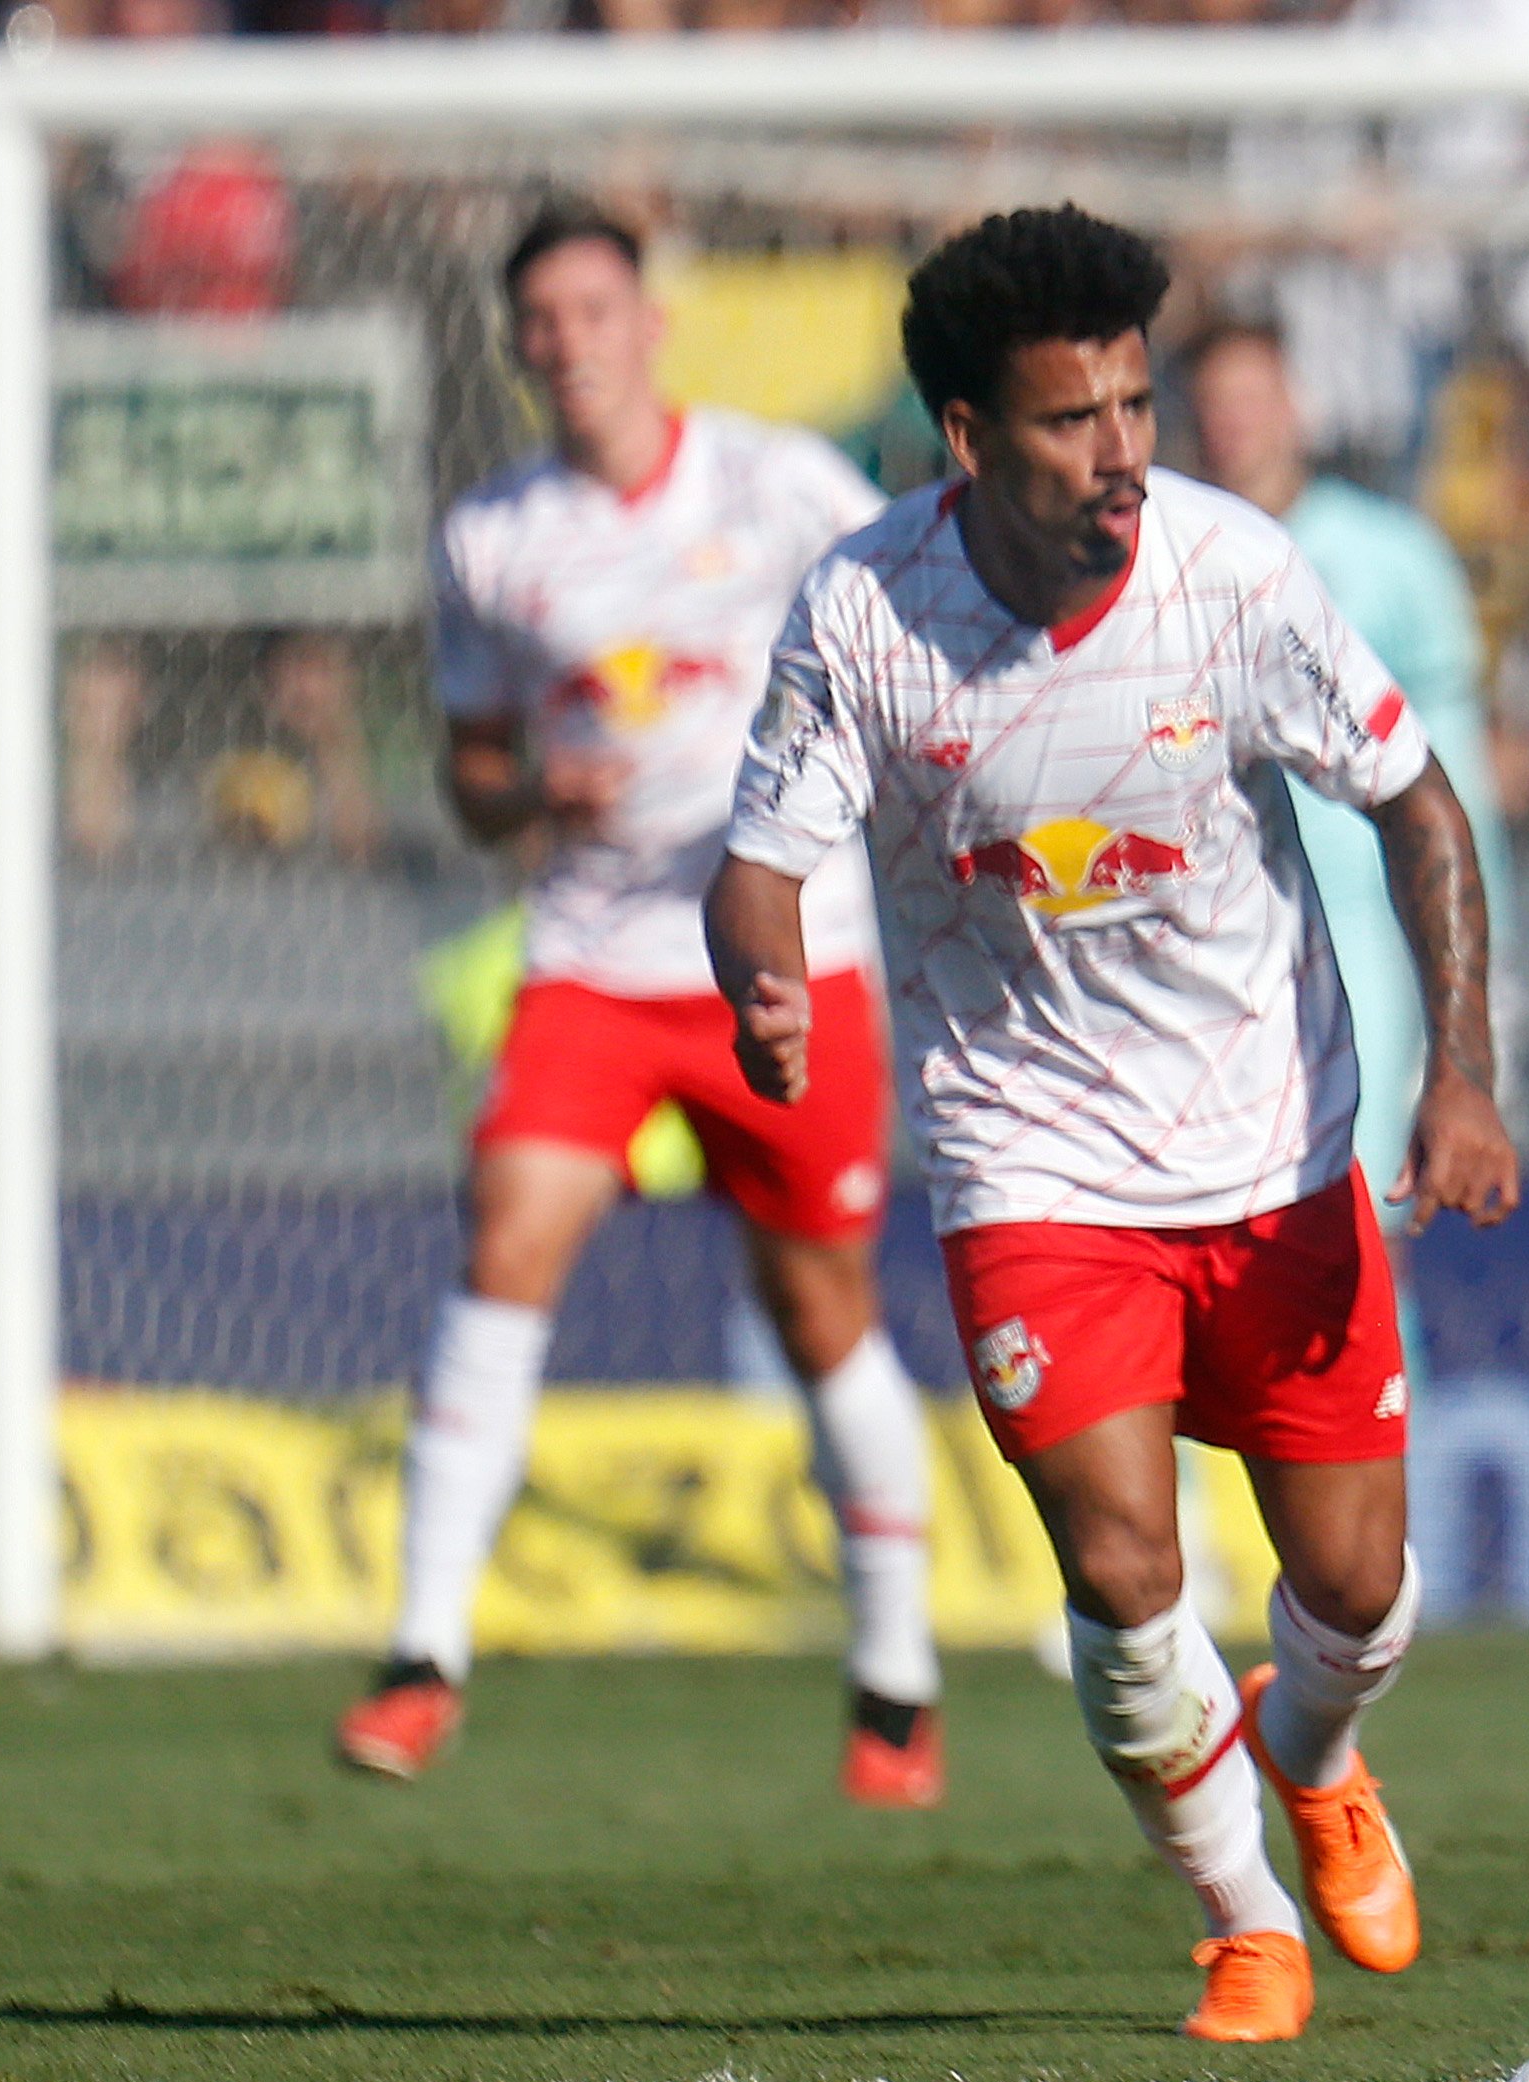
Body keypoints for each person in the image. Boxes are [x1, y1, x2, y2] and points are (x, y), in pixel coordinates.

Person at [705, 206, 1520, 2045]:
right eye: (1074, 421)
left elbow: (1415, 806)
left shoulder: (1232, 577)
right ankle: (1243, 1919)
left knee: (1358, 1588)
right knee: (1123, 1565)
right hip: (1030, 1166)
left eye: (1137, 406)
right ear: (971, 439)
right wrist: (759, 978)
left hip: (1276, 1142)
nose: (1124, 453)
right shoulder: (862, 609)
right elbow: (756, 863)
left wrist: (1457, 1070)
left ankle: (1311, 1761)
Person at [332, 203, 946, 1811]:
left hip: (785, 963)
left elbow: (912, 647)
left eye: (593, 308)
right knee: (505, 1237)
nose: (569, 341)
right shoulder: (491, 539)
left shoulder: (784, 486)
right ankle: (421, 1657)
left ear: (645, 321)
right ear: (518, 346)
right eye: (540, 320)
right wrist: (533, 782)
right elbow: (471, 781)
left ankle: (894, 1678)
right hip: (593, 958)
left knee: (822, 1315)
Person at [1182, 321, 1515, 1225]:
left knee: (1361, 1207)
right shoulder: (1172, 556)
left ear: (1295, 408)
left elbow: (1453, 773)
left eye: (1251, 401)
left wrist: (1486, 972)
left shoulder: (1392, 554)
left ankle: (1387, 1372)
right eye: (1215, 405)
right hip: (1213, 934)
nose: (1234, 425)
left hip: (1368, 922)